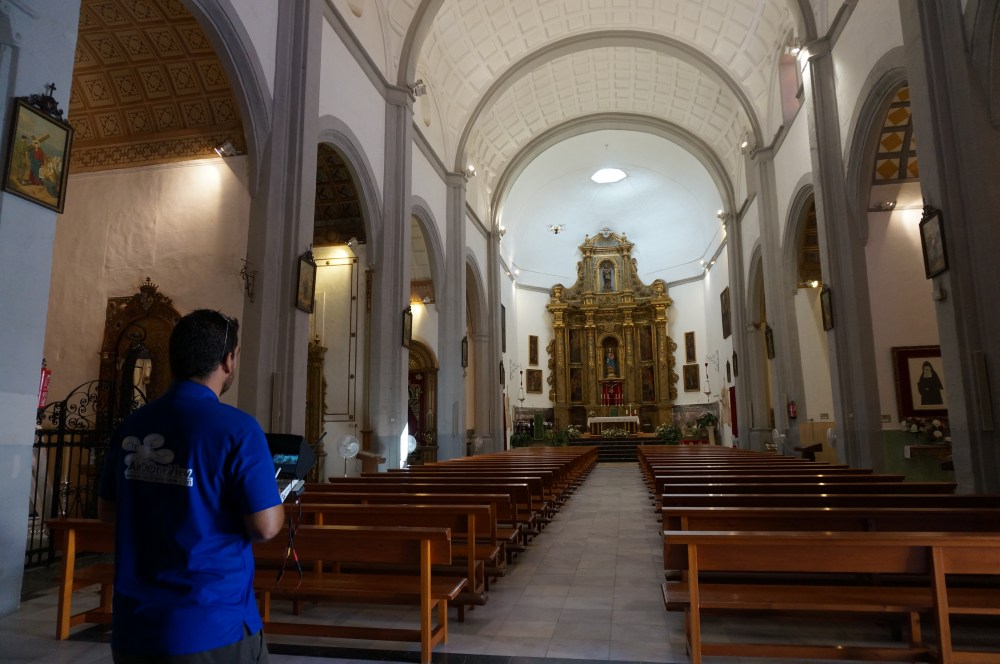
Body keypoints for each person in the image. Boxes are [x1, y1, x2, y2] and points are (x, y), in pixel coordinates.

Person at [98, 309, 284, 663]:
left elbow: (107, 511)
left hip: (134, 624)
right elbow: (266, 526)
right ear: (229, 360)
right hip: (211, 623)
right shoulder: (237, 429)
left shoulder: (133, 424)